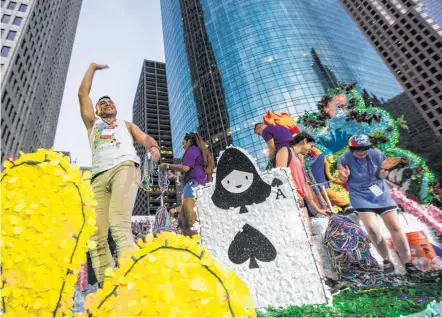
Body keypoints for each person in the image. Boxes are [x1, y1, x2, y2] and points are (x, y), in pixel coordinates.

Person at [78, 63, 160, 285]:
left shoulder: (126, 124)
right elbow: (82, 93)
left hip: (124, 168)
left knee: (119, 222)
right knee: (95, 235)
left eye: (110, 102)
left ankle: (132, 282)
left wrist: (153, 147)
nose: (107, 105)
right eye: (102, 104)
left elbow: (145, 138)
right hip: (98, 178)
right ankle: (108, 289)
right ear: (96, 110)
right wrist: (93, 68)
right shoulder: (92, 124)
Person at [337, 134, 421, 276]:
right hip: (360, 196)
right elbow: (342, 178)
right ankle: (387, 260)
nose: (362, 152)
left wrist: (383, 169)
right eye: (358, 149)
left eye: (365, 148)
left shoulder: (376, 154)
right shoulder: (344, 158)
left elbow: (381, 177)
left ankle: (408, 263)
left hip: (380, 194)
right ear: (351, 149)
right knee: (372, 229)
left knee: (394, 226)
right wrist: (344, 176)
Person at [159, 132, 214, 236]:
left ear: (189, 141)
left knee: (190, 220)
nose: (183, 146)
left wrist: (167, 165)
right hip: (198, 185)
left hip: (193, 186)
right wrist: (175, 177)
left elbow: (185, 168)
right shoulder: (198, 151)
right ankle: (195, 241)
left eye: (183, 143)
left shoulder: (192, 149)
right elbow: (192, 171)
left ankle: (197, 241)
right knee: (185, 221)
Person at [289, 133, 329, 217]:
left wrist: (318, 210)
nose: (311, 149)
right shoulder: (287, 152)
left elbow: (304, 186)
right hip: (295, 199)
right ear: (305, 141)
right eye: (311, 146)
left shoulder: (298, 160)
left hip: (300, 199)